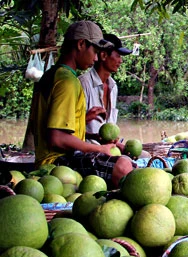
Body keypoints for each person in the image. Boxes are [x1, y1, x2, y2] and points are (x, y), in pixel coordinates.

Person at [29, 21, 134, 188]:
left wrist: (93, 137)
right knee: (123, 166)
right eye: (94, 51)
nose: (95, 58)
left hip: (50, 157)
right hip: (57, 162)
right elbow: (57, 138)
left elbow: (55, 129)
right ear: (81, 44)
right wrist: (98, 150)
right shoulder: (68, 82)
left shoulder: (52, 74)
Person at [79, 33, 132, 145]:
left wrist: (116, 144)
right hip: (85, 151)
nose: (120, 61)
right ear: (103, 56)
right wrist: (85, 119)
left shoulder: (113, 87)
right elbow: (67, 130)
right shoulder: (83, 84)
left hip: (107, 150)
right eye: (118, 55)